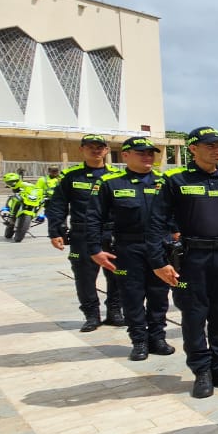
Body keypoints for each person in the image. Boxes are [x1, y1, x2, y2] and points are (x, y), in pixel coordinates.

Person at [151, 126, 218, 399]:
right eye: (211, 146)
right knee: (194, 316)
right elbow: (156, 224)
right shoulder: (175, 180)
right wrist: (159, 261)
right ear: (192, 149)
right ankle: (201, 371)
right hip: (192, 259)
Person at [88, 137, 173, 362]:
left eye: (150, 153)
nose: (147, 157)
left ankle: (158, 337)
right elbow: (94, 217)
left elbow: (176, 214)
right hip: (128, 247)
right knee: (132, 296)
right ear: (125, 155)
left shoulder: (165, 181)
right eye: (140, 153)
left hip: (160, 247)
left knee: (159, 295)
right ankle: (139, 340)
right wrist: (95, 248)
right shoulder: (110, 183)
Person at [46, 134, 123, 332]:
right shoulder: (71, 176)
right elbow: (57, 205)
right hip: (83, 234)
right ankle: (91, 315)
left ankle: (115, 311)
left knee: (118, 275)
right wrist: (55, 231)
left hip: (113, 233)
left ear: (106, 150)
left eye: (100, 147)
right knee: (84, 277)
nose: (96, 150)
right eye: (91, 147)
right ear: (82, 150)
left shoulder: (117, 176)